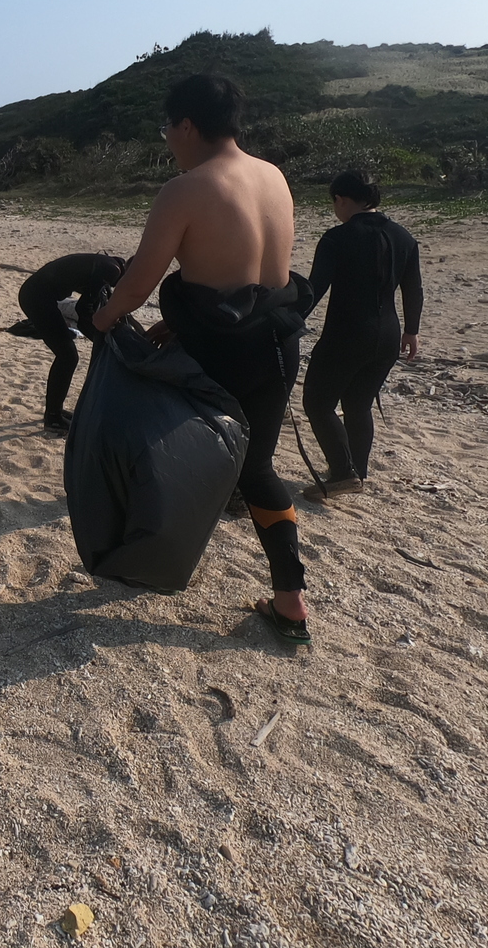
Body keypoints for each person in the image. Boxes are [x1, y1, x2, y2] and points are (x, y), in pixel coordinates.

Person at [91, 74, 314, 644]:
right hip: (277, 341)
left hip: (222, 350)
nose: (168, 140)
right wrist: (181, 319)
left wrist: (100, 319)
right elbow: (248, 276)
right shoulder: (273, 176)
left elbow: (142, 278)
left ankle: (149, 556)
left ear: (187, 125)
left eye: (169, 129)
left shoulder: (186, 188)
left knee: (160, 440)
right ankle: (290, 601)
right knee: (256, 465)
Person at [300, 171, 423, 500]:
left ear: (341, 199)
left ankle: (343, 472)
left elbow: (314, 290)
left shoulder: (336, 239)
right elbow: (413, 289)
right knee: (358, 404)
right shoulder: (403, 237)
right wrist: (412, 330)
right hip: (388, 336)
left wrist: (288, 319)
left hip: (347, 333)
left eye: (334, 203)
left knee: (318, 402)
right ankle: (357, 472)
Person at [18, 253, 127, 434]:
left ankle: (55, 412)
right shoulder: (111, 270)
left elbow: (87, 312)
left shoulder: (106, 265)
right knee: (67, 356)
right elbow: (83, 310)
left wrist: (101, 337)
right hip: (37, 298)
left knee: (67, 355)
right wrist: (103, 341)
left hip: (36, 294)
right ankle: (53, 417)